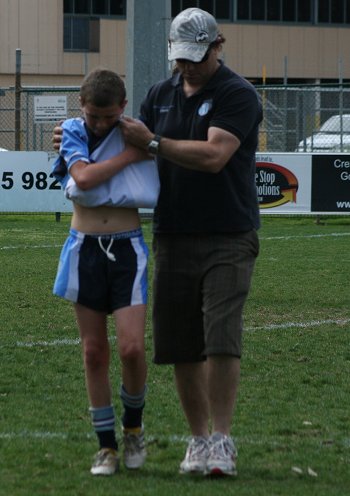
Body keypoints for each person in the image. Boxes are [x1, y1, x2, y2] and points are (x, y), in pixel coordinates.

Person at [53, 8, 262, 477]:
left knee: (221, 336)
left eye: (197, 57)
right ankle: (199, 439)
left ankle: (223, 440)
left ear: (217, 46)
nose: (187, 67)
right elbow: (117, 138)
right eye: (180, 58)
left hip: (229, 232)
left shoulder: (236, 93)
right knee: (179, 343)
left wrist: (153, 144)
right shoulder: (159, 94)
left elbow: (212, 155)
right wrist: (69, 135)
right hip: (172, 234)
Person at [52, 68, 153, 476]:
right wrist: (133, 154)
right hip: (83, 248)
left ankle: (133, 428)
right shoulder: (74, 131)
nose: (99, 124)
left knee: (131, 348)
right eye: (93, 115)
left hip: (127, 248)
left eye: (108, 117)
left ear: (123, 108)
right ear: (82, 106)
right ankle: (106, 446)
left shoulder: (138, 129)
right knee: (94, 352)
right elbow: (83, 177)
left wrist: (143, 144)